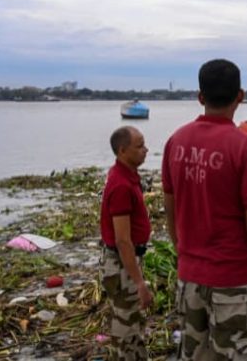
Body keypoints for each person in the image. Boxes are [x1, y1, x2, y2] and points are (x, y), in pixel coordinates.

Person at [162, 59, 247, 361]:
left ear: (200, 97)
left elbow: (170, 210)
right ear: (240, 96)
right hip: (233, 281)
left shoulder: (176, 142)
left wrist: (185, 256)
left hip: (190, 278)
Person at [99, 126, 153, 360]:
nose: (146, 150)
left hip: (124, 264)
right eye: (139, 146)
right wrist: (140, 283)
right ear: (122, 151)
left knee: (131, 325)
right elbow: (122, 240)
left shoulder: (126, 175)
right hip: (121, 266)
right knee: (127, 331)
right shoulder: (121, 185)